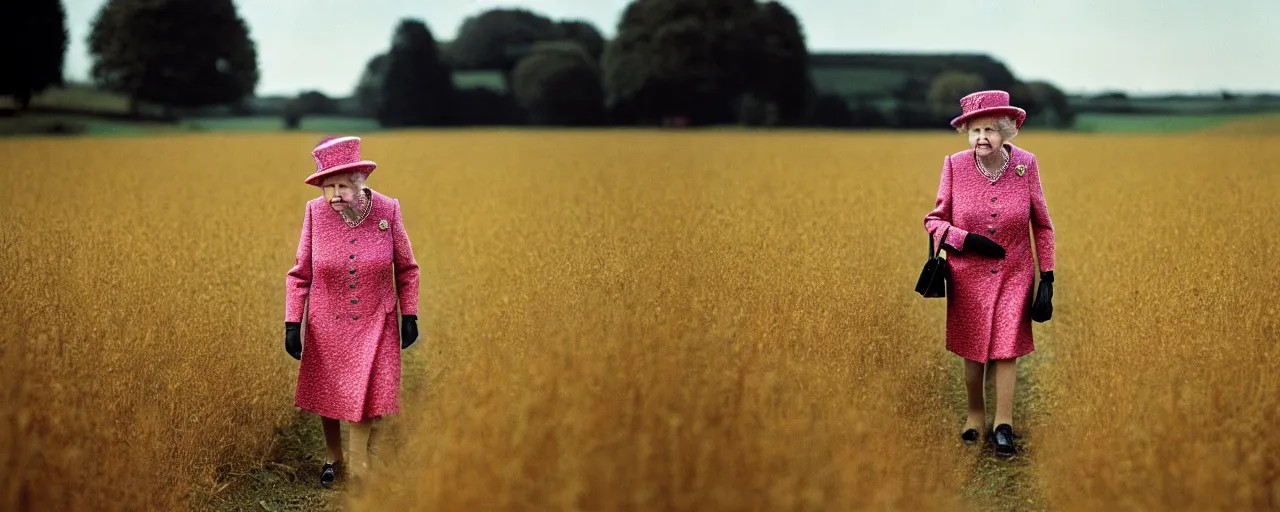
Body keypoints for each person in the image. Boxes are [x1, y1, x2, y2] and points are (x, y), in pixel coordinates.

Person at [923, 90, 1056, 459]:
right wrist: (967, 240)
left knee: (1006, 350)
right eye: (974, 130)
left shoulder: (1026, 165)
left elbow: (1042, 225)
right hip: (967, 273)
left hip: (1015, 270)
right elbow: (933, 222)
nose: (981, 138)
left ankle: (1003, 425)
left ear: (1006, 132)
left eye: (990, 131)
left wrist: (1047, 275)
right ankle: (975, 414)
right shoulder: (955, 165)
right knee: (973, 352)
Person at [284, 135, 421, 487]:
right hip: (327, 321)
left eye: (342, 186)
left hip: (377, 317)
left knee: (368, 390)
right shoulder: (315, 212)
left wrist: (410, 314)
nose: (334, 196)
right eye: (327, 187)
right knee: (328, 390)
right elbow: (300, 273)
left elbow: (407, 268)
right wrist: (292, 322)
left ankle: (359, 464)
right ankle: (334, 457)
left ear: (361, 182)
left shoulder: (388, 210)